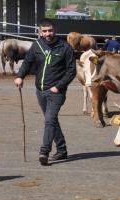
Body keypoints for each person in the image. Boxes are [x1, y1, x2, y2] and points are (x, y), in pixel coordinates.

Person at [14, 19, 77, 165]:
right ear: (39, 32)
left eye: (50, 30)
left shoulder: (65, 48)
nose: (48, 33)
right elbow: (27, 62)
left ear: (54, 30)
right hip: (40, 91)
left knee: (49, 121)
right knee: (52, 121)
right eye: (44, 31)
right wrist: (19, 76)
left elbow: (71, 71)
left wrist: (59, 86)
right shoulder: (37, 45)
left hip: (56, 92)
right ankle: (62, 150)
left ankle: (44, 152)